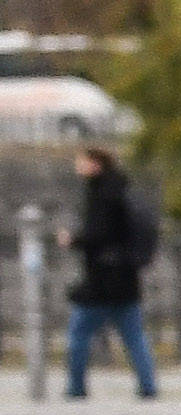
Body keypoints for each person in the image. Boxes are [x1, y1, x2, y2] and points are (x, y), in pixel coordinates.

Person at [60, 145, 158, 397]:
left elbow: (98, 234)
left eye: (81, 161)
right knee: (134, 336)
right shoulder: (122, 190)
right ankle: (148, 387)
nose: (77, 166)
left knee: (78, 334)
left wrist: (73, 240)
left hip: (102, 280)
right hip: (125, 276)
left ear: (95, 163)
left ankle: (76, 387)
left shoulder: (103, 194)